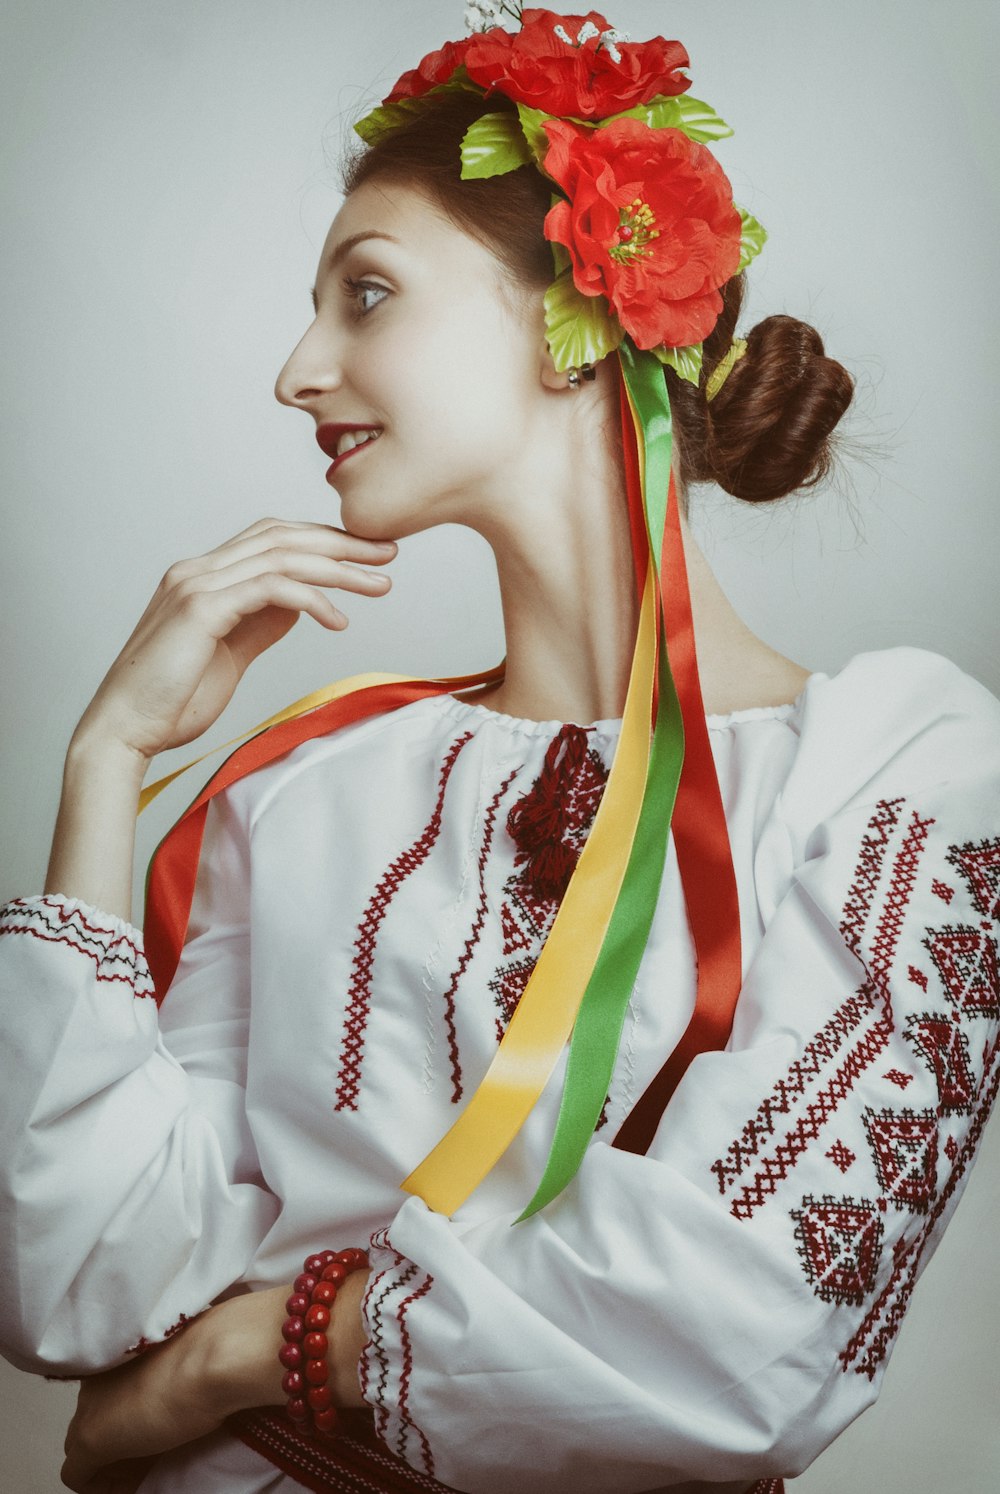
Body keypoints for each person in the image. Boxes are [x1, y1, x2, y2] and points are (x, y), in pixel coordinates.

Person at [1, 6, 998, 1493]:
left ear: (572, 315)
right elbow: (77, 1282)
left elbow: (744, 1334)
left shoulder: (903, 769)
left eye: (367, 293)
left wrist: (242, 1349)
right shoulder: (305, 783)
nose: (297, 368)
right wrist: (104, 761)